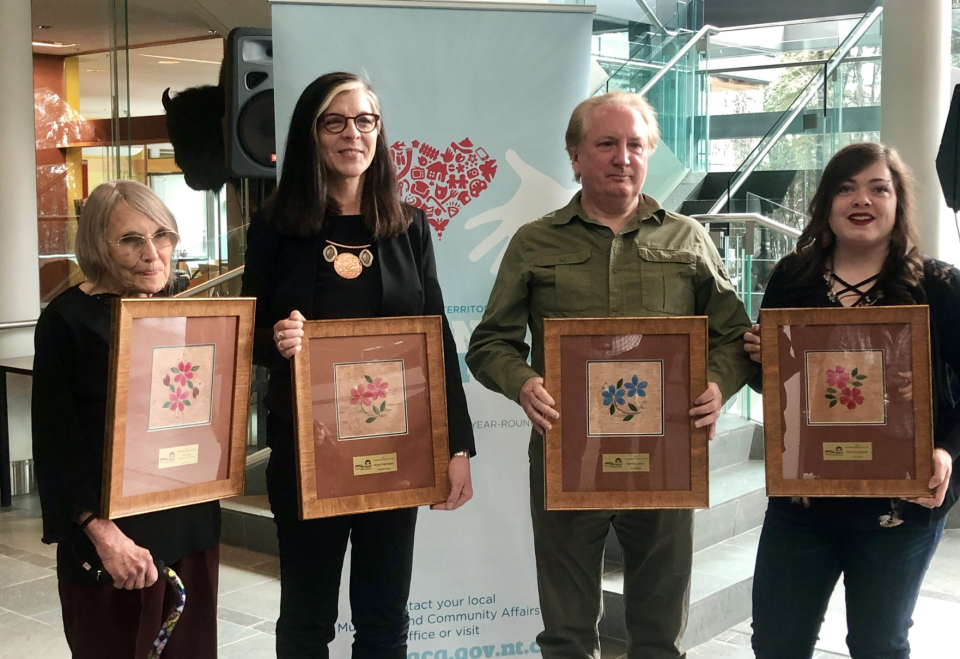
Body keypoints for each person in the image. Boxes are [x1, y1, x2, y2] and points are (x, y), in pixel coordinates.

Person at [466, 91, 756, 659]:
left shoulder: (687, 239)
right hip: (566, 454)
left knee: (658, 629)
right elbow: (490, 343)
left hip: (668, 455)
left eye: (635, 144)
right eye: (606, 144)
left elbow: (734, 336)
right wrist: (523, 381)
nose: (622, 156)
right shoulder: (534, 242)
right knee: (568, 631)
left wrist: (718, 385)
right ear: (576, 157)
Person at [240, 71, 475, 659]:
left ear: (379, 132)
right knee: (305, 619)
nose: (353, 133)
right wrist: (278, 336)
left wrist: (458, 446)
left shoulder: (409, 225)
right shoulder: (275, 228)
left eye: (365, 120)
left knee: (384, 617)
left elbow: (435, 339)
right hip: (307, 452)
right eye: (335, 121)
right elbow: (250, 340)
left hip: (394, 449)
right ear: (311, 134)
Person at [743, 142, 960, 659]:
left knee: (878, 645)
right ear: (826, 203)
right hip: (804, 501)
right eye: (846, 187)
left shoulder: (939, 285)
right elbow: (776, 392)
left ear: (897, 201)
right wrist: (761, 359)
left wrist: (948, 452)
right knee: (776, 642)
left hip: (900, 508)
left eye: (877, 187)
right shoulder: (791, 279)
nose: (861, 199)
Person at [32, 180, 221, 659]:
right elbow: (57, 444)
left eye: (163, 235)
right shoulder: (67, 320)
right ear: (98, 245)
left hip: (190, 528)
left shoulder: (191, 311)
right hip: (114, 543)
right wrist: (102, 534)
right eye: (131, 240)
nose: (153, 253)